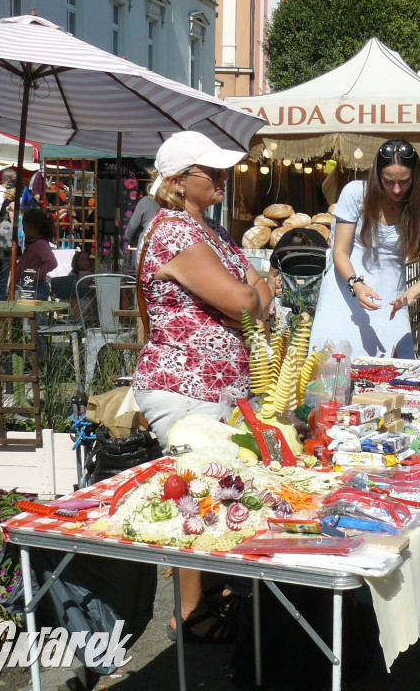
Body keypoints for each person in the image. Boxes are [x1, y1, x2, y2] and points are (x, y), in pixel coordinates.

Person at [131, 130, 272, 644]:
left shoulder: (206, 229)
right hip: (184, 384)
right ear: (176, 181)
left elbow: (260, 296)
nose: (221, 177)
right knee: (196, 494)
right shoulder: (172, 231)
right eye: (208, 171)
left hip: (218, 386)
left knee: (217, 491)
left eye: (220, 169)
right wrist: (255, 289)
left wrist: (255, 291)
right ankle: (189, 615)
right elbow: (245, 300)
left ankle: (212, 599)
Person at [309, 139, 420, 358]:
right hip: (345, 287)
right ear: (377, 176)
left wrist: (412, 293)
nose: (396, 189)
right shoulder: (355, 193)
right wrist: (356, 284)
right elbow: (340, 252)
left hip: (391, 295)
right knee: (333, 366)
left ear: (415, 178)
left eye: (404, 181)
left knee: (392, 371)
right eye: (388, 181)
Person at [14, 208, 57, 299]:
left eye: (24, 226)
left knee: (35, 312)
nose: (23, 229)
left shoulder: (40, 244)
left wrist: (36, 276)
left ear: (31, 227)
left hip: (36, 289)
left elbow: (51, 262)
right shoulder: (33, 243)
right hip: (28, 286)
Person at [125, 173, 161, 267]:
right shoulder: (177, 205)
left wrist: (130, 238)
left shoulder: (146, 202)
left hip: (147, 252)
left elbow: (131, 228)